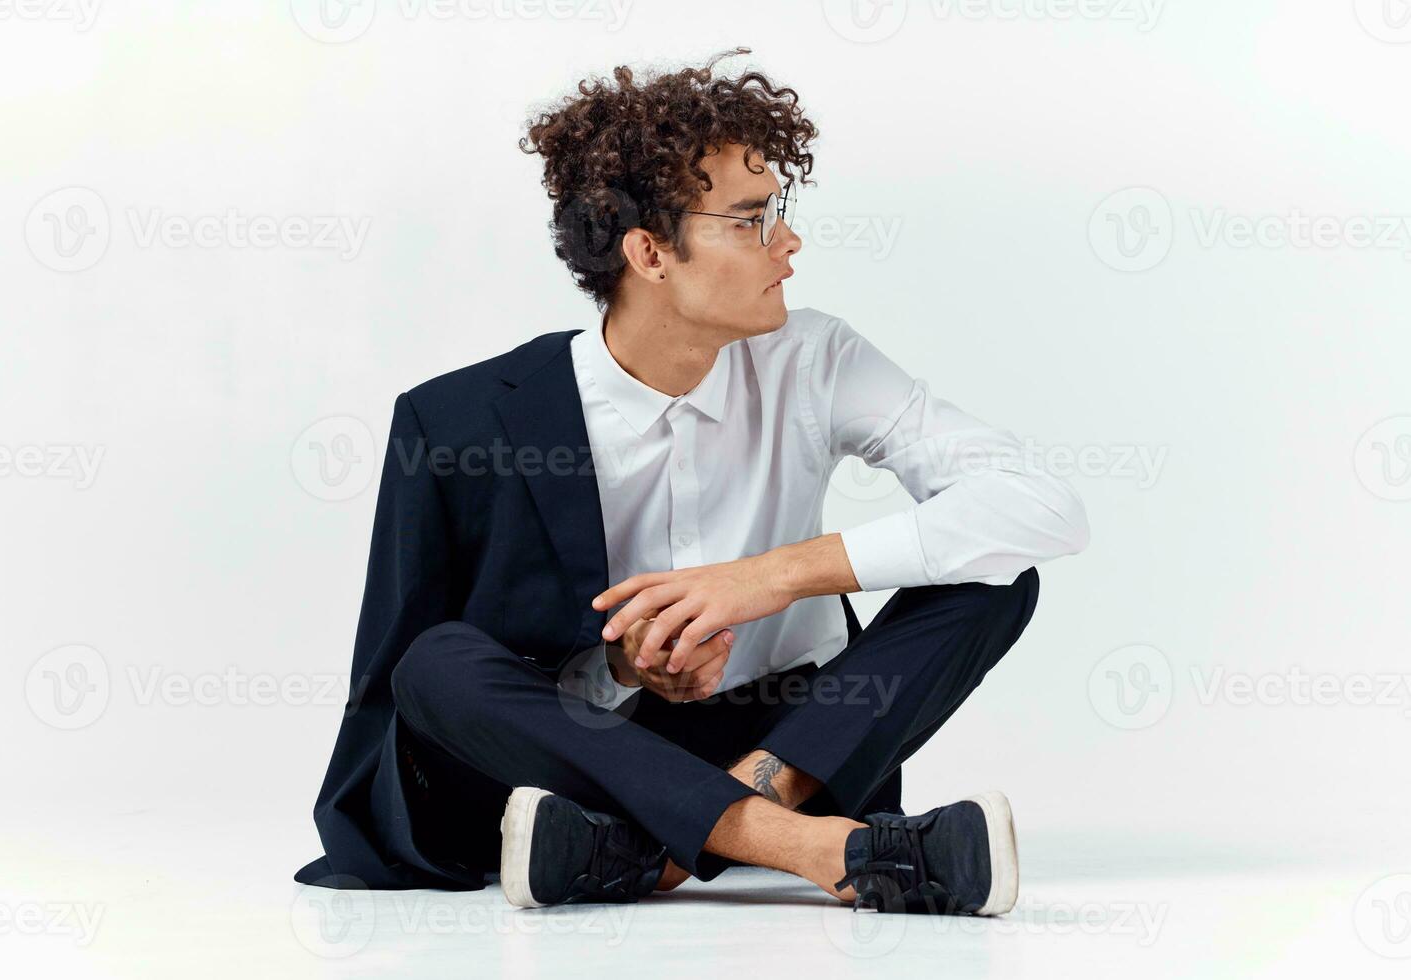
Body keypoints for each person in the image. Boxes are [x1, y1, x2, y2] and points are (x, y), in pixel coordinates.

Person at [296, 48, 1088, 916]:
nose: (787, 243)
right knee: (435, 661)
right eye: (749, 220)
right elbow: (398, 697)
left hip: (792, 740)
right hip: (584, 754)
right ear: (648, 252)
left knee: (993, 572)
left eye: (777, 211)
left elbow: (1042, 506)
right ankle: (807, 846)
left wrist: (771, 576)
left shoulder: (815, 360)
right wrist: (619, 668)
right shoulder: (455, 421)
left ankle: (653, 853)